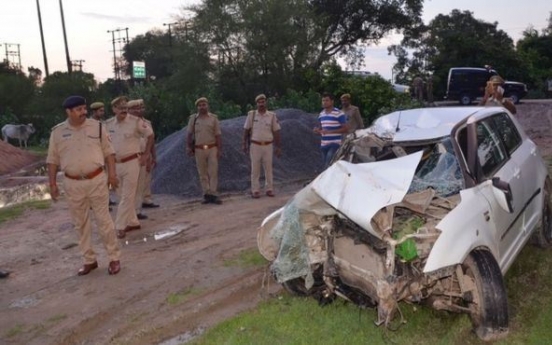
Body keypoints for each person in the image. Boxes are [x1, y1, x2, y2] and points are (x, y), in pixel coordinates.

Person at [46, 95, 121, 276]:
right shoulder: (57, 133)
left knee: (104, 221)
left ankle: (114, 258)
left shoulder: (98, 127)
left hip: (96, 180)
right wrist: (52, 183)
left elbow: (109, 153)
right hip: (72, 184)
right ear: (69, 112)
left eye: (84, 109)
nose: (83, 112)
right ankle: (89, 260)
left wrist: (112, 175)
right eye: (78, 110)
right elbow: (52, 160)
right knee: (80, 224)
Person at [105, 96, 154, 239]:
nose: (124, 111)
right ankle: (133, 222)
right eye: (120, 108)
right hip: (115, 164)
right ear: (114, 109)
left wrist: (146, 154)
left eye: (125, 108)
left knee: (127, 195)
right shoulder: (108, 125)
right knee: (121, 195)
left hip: (132, 162)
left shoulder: (136, 122)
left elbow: (150, 135)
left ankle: (119, 226)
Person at [242, 94, 282, 198]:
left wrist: (278, 147)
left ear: (266, 102)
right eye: (259, 102)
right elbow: (246, 130)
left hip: (268, 145)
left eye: (263, 102)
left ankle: (269, 189)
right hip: (255, 145)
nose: (261, 104)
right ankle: (255, 190)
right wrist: (244, 144)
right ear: (256, 104)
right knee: (255, 168)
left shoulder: (272, 115)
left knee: (268, 168)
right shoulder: (252, 115)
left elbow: (276, 131)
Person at [186, 97, 223, 204]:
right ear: (197, 107)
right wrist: (188, 147)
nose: (202, 107)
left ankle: (214, 193)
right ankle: (206, 194)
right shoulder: (193, 119)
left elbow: (218, 135)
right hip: (199, 149)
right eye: (200, 105)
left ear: (208, 106)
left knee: (213, 172)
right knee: (202, 173)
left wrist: (219, 149)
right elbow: (189, 134)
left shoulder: (213, 118)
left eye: (204, 105)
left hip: (212, 148)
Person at [127, 99, 159, 220]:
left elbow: (151, 141)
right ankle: (131, 210)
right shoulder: (126, 124)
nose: (139, 110)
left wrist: (153, 156)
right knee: (131, 186)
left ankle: (138, 208)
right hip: (130, 157)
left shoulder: (147, 123)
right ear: (129, 110)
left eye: (141, 108)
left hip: (144, 155)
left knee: (143, 182)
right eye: (135, 108)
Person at [314, 93, 349, 168]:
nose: (324, 102)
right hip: (324, 144)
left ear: (332, 101)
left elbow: (345, 129)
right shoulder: (321, 114)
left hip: (334, 143)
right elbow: (321, 127)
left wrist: (330, 132)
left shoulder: (339, 113)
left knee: (328, 165)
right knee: (325, 165)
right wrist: (317, 130)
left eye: (327, 100)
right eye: (323, 100)